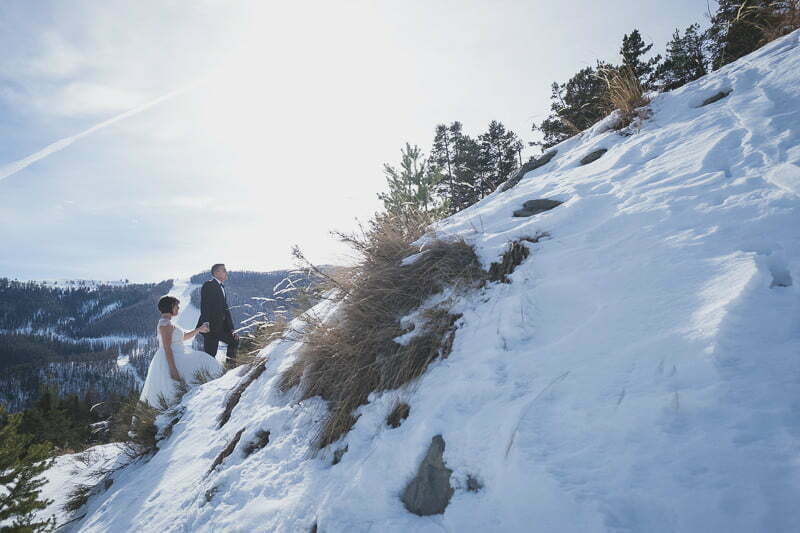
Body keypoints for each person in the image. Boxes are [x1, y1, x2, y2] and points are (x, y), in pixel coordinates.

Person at [139, 296, 223, 407]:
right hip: (173, 358)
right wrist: (173, 369)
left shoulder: (167, 323)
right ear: (171, 307)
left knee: (202, 360)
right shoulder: (165, 324)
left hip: (178, 355)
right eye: (176, 306)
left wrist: (199, 329)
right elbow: (167, 348)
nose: (178, 308)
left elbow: (182, 337)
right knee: (202, 360)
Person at [196, 263, 239, 368]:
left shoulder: (222, 287)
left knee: (234, 340)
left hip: (221, 327)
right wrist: (206, 323)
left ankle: (230, 369)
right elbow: (205, 305)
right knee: (210, 355)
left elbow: (225, 310)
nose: (226, 272)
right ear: (216, 273)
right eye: (224, 270)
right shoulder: (208, 285)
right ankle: (206, 378)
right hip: (210, 327)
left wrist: (231, 329)